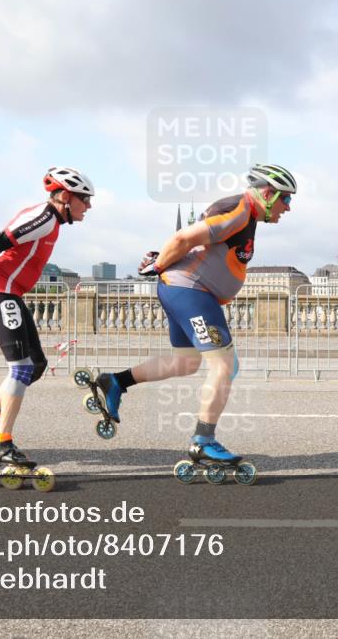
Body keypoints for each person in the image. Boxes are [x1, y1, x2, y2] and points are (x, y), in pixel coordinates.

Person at [95, 164, 295, 467]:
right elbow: (183, 239)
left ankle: (116, 382)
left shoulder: (246, 214)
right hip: (191, 292)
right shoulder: (239, 210)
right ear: (268, 193)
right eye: (286, 199)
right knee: (223, 365)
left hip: (188, 292)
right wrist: (159, 264)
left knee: (186, 362)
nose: (288, 208)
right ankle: (203, 441)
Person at [0, 167, 95, 468]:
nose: (89, 206)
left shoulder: (53, 221)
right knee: (20, 368)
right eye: (85, 200)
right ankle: (2, 445)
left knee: (36, 365)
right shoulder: (44, 218)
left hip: (10, 292)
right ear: (67, 197)